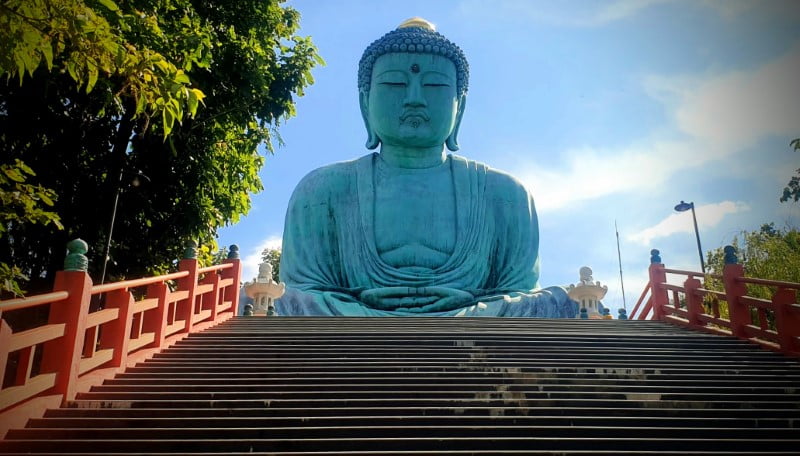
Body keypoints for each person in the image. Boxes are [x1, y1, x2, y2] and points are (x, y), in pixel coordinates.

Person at [275, 18, 577, 317]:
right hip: (355, 321)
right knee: (282, 301)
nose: (415, 99)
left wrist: (469, 313)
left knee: (557, 303)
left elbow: (518, 293)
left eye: (434, 85)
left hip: (473, 321)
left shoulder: (506, 194)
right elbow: (303, 294)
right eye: (395, 84)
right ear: (365, 103)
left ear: (460, 106)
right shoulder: (322, 189)